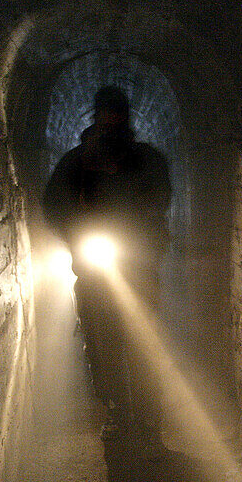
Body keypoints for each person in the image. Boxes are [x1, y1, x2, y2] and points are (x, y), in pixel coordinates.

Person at [42, 85, 172, 449]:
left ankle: (149, 423)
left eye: (117, 113)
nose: (112, 120)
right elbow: (54, 205)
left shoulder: (145, 160)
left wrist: (143, 229)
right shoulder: (76, 162)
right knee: (100, 347)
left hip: (138, 268)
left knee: (144, 344)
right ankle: (117, 410)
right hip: (94, 271)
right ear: (96, 116)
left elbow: (159, 198)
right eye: (106, 113)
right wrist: (76, 234)